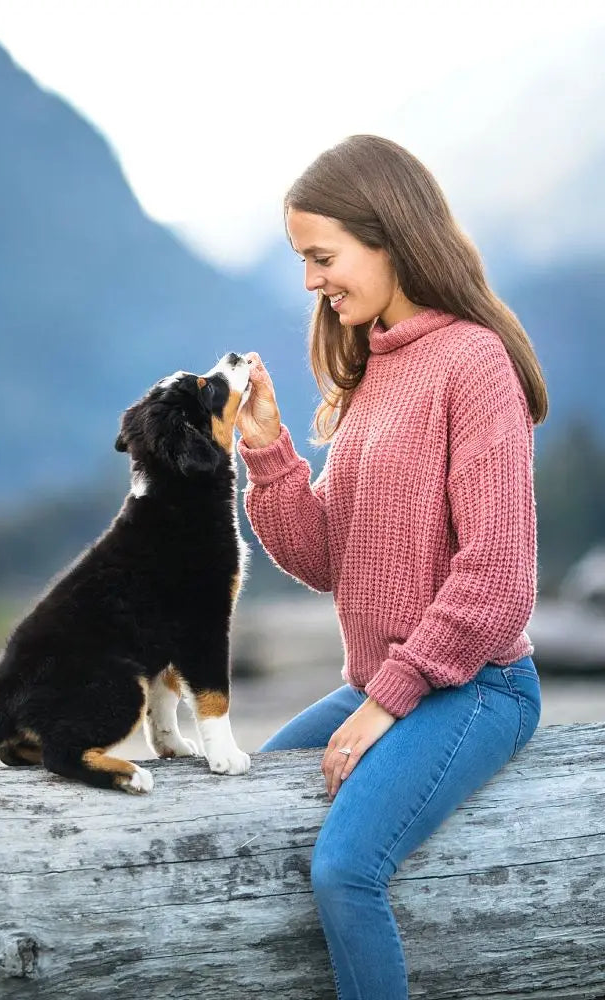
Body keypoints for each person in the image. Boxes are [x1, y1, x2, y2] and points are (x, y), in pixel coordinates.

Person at [234, 134, 547, 1000]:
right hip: (392, 678)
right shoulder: (379, 368)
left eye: (322, 257)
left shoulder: (474, 364)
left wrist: (386, 702)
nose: (311, 282)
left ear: (389, 237)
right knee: (258, 794)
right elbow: (329, 559)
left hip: (480, 686)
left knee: (345, 869)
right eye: (303, 260)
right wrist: (268, 455)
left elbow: (498, 579)